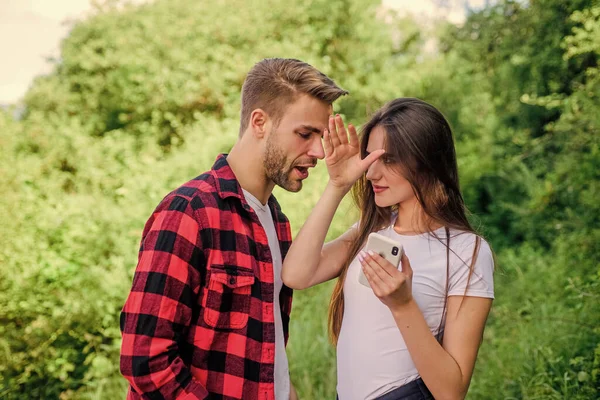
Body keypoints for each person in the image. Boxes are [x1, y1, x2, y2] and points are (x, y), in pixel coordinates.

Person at [119, 58, 348, 400]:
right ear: (260, 122)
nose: (318, 151)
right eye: (305, 134)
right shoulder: (189, 212)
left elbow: (261, 354)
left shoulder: (277, 222)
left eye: (321, 136)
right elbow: (146, 359)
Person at [281, 98, 495, 400]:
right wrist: (338, 185)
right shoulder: (370, 231)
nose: (371, 174)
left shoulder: (467, 251)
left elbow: (451, 391)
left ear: (427, 160)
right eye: (370, 158)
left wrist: (402, 303)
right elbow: (296, 275)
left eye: (390, 160)